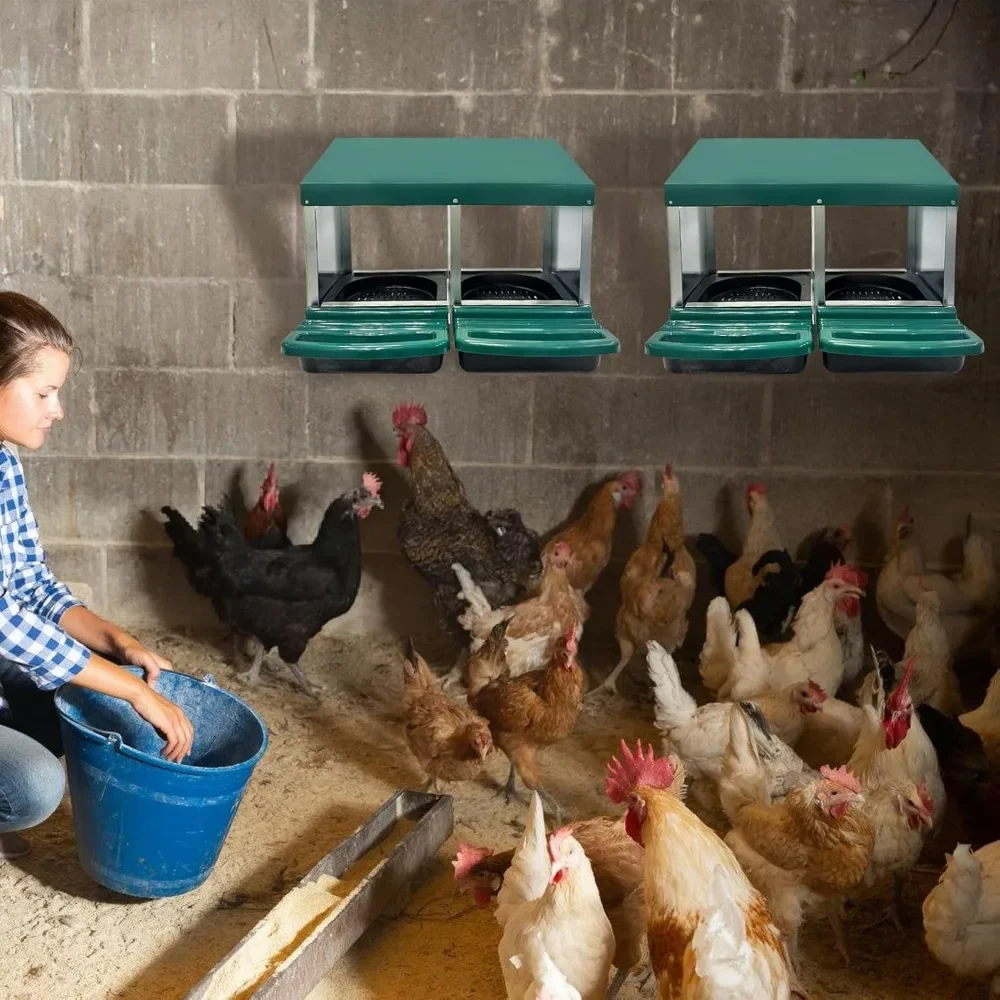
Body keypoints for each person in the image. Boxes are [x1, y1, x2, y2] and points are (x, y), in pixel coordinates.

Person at [0, 291, 194, 861]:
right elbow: (6, 621)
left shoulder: (4, 462)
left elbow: (31, 581)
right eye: (44, 392)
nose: (57, 409)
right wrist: (132, 689)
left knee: (89, 706)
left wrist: (120, 645)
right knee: (31, 786)